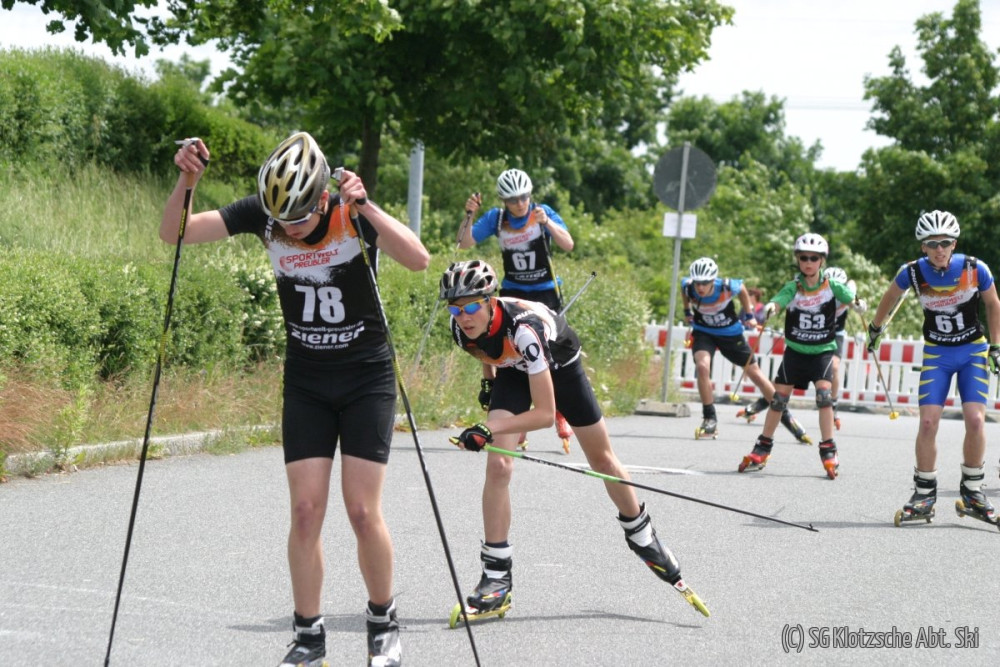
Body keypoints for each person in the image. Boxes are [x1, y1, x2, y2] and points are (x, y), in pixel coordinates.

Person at [163, 132, 430, 667]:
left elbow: (418, 259)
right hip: (307, 380)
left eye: (299, 219)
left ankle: (382, 623)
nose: (288, 229)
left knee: (361, 511)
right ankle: (309, 638)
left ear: (322, 198)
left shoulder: (350, 214)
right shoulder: (265, 214)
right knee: (306, 512)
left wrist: (367, 207)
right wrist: (187, 180)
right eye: (279, 220)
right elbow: (177, 233)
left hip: (366, 378)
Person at [439, 259, 708, 620]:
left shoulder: (525, 330)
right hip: (513, 369)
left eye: (471, 307)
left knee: (602, 459)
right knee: (499, 465)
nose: (463, 317)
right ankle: (497, 579)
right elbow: (485, 349)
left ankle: (641, 535)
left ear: (490, 301)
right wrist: (489, 382)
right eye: (455, 309)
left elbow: (545, 415)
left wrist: (489, 428)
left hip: (560, 365)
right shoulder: (460, 329)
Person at [866, 211, 1000, 527]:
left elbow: (993, 304)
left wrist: (995, 346)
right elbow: (890, 296)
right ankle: (924, 495)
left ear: (954, 244)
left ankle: (973, 492)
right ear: (923, 246)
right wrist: (875, 327)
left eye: (945, 243)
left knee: (976, 420)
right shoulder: (912, 272)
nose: (939, 249)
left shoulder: (974, 268)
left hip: (972, 351)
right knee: (927, 423)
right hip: (937, 353)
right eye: (932, 243)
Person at [460, 168, 576, 452]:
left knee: (549, 356)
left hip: (544, 291)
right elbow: (464, 243)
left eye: (524, 197)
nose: (520, 203)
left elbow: (568, 244)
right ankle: (517, 418)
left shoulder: (541, 212)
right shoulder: (497, 218)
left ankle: (560, 411)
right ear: (504, 200)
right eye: (513, 199)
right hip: (514, 294)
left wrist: (548, 223)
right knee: (508, 352)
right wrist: (469, 215)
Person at [737, 233, 856, 479]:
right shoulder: (794, 286)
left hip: (822, 352)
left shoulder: (831, 286)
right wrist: (772, 306)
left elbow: (849, 296)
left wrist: (857, 303)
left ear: (822, 260)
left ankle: (829, 450)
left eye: (814, 258)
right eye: (803, 258)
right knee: (778, 400)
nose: (808, 262)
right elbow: (780, 299)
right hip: (795, 352)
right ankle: (762, 447)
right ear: (798, 260)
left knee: (824, 396)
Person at [681, 257, 809, 443]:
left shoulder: (725, 286)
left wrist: (749, 315)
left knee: (755, 374)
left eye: (705, 283)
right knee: (702, 366)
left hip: (730, 334)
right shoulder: (688, 286)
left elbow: (742, 289)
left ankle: (785, 415)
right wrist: (687, 311)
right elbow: (684, 290)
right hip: (704, 333)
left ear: (713, 280)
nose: (700, 287)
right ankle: (709, 418)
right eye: (698, 283)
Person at [823, 267, 868, 429]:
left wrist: (859, 304)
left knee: (835, 367)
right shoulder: (819, 294)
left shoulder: (847, 290)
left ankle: (834, 403)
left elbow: (853, 293)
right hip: (819, 334)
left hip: (837, 334)